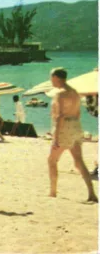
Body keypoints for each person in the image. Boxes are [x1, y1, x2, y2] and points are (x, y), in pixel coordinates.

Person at [47, 68, 97, 202]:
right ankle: (91, 192)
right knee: (78, 160)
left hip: (64, 126)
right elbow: (78, 113)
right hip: (76, 125)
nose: (51, 80)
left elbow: (59, 116)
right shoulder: (75, 93)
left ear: (56, 78)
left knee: (52, 160)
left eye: (52, 77)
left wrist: (56, 137)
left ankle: (53, 192)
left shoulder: (60, 94)